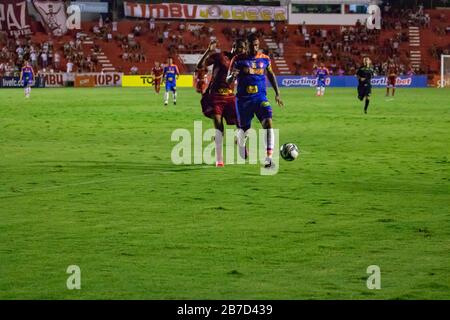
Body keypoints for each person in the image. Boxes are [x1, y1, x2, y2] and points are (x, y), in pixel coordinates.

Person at [227, 33, 284, 169]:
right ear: (246, 46)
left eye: (257, 45)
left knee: (268, 122)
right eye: (252, 45)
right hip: (243, 101)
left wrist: (277, 93)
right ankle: (241, 142)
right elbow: (228, 80)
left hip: (260, 98)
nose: (254, 48)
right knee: (245, 129)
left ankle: (268, 159)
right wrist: (233, 76)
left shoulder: (264, 59)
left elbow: (270, 73)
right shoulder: (237, 60)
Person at [196, 39, 247, 167]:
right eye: (239, 47)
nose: (241, 50)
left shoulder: (241, 63)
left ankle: (241, 143)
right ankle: (219, 159)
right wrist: (208, 51)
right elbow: (200, 65)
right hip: (216, 96)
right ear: (234, 47)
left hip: (230, 97)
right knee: (219, 128)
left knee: (241, 123)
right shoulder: (220, 57)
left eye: (243, 48)